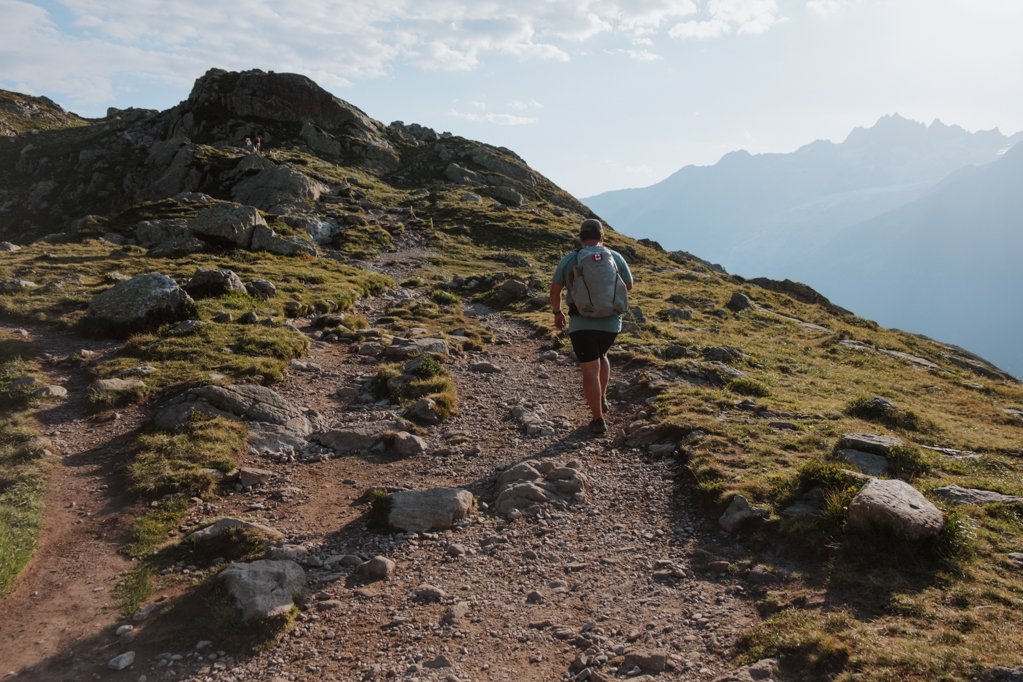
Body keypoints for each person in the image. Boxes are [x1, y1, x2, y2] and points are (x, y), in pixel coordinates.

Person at [550, 218, 634, 435]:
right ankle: (602, 397)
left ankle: (598, 419)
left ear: (581, 238)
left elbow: (555, 288)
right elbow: (629, 285)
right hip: (611, 324)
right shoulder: (615, 257)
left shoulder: (572, 258)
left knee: (589, 368)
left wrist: (558, 313)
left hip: (581, 324)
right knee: (602, 355)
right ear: (602, 238)